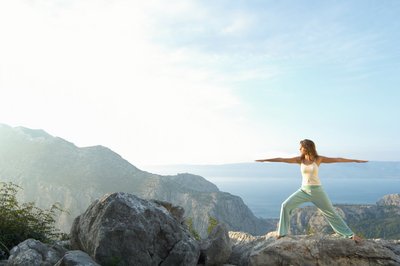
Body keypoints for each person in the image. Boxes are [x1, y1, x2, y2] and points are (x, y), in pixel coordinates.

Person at [255, 139, 367, 242]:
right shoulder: (300, 159)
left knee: (331, 213)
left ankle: (350, 235)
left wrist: (356, 160)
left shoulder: (318, 159)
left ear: (307, 147)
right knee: (285, 205)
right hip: (303, 190)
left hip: (317, 191)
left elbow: (338, 159)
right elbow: (282, 159)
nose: (299, 149)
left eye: (301, 147)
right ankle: (282, 233)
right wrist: (265, 160)